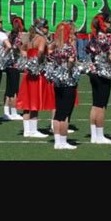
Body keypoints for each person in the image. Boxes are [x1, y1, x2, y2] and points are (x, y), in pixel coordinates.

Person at [17, 17, 55, 138]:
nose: (47, 29)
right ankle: (33, 131)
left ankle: (26, 130)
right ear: (40, 27)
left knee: (28, 101)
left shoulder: (30, 38)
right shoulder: (41, 39)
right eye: (46, 27)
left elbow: (22, 49)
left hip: (29, 72)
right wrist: (38, 61)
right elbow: (40, 52)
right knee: (34, 101)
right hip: (37, 72)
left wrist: (27, 61)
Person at [48, 21, 78, 150]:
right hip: (68, 82)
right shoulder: (68, 47)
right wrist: (73, 63)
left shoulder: (54, 46)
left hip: (57, 82)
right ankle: (63, 141)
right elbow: (71, 64)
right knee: (65, 113)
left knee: (58, 112)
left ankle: (57, 142)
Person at [87, 11, 111, 145]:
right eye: (109, 21)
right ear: (103, 23)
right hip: (102, 73)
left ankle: (94, 135)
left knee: (95, 104)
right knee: (101, 106)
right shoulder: (106, 37)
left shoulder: (93, 35)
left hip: (93, 72)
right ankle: (99, 135)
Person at [2, 15, 25, 121]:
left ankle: (6, 112)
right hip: (14, 65)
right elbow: (20, 50)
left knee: (8, 89)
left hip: (8, 64)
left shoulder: (10, 34)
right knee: (14, 90)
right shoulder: (19, 36)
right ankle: (14, 112)